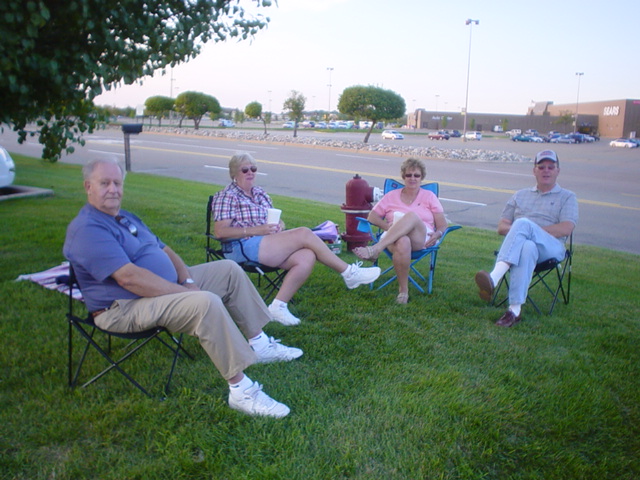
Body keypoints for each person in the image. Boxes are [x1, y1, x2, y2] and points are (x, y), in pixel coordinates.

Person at [64, 158, 303, 418]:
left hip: (164, 290)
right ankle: (241, 391)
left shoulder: (125, 217)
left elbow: (164, 249)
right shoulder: (88, 228)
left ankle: (259, 344)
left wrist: (187, 280)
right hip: (123, 307)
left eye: (117, 183)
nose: (113, 189)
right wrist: (187, 293)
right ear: (88, 186)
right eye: (105, 183)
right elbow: (129, 279)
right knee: (205, 302)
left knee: (228, 270)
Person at [210, 153, 381, 326]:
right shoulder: (227, 196)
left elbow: (276, 219)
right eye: (245, 169)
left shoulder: (259, 193)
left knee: (306, 255)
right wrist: (256, 230)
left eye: (253, 169)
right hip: (242, 247)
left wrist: (279, 225)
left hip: (268, 243)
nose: (250, 172)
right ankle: (349, 273)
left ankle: (278, 306)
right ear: (234, 173)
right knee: (304, 233)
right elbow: (220, 232)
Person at [474, 150, 578, 327]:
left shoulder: (567, 196)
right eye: (541, 167)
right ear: (534, 171)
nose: (546, 171)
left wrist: (531, 229)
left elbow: (566, 227)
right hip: (523, 248)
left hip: (552, 248)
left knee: (523, 224)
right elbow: (502, 227)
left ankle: (495, 276)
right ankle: (514, 311)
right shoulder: (520, 195)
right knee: (527, 246)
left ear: (557, 171)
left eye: (550, 167)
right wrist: (525, 233)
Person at [353, 158, 448, 304]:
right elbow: (372, 216)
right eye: (408, 175)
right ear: (403, 177)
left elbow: (442, 225)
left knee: (411, 216)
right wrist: (388, 228)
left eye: (416, 175)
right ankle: (403, 291)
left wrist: (438, 234)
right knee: (402, 240)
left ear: (421, 177)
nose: (412, 178)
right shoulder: (391, 196)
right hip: (393, 238)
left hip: (420, 237)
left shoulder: (429, 196)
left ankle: (375, 249)